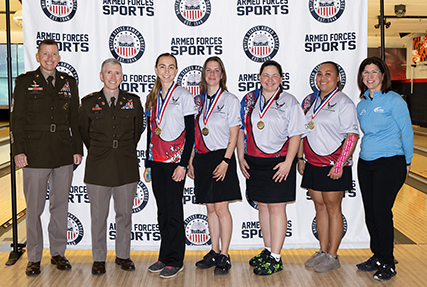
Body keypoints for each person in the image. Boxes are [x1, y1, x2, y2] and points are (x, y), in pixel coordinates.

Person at [10, 39, 82, 276]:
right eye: (45, 54)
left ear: (59, 57)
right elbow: (17, 119)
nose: (50, 58)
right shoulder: (24, 82)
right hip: (34, 155)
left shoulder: (68, 83)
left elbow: (75, 119)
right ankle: (33, 257)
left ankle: (58, 253)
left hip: (62, 153)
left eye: (54, 54)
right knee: (34, 209)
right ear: (38, 56)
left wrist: (77, 148)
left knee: (60, 207)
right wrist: (18, 150)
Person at [237, 60, 308, 275]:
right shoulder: (249, 100)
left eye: (274, 75)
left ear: (281, 79)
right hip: (254, 162)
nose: (269, 79)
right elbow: (241, 130)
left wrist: (289, 162)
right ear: (259, 77)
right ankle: (268, 250)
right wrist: (241, 157)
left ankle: (276, 257)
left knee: (277, 208)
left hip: (279, 163)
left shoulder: (290, 101)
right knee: (263, 207)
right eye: (265, 75)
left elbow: (296, 134)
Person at [78, 58, 143, 275]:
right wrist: (101, 148)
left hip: (125, 165)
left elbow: (137, 132)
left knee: (124, 215)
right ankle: (98, 258)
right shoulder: (88, 103)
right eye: (109, 73)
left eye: (117, 73)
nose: (113, 77)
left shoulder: (133, 101)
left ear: (122, 77)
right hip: (98, 166)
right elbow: (84, 133)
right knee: (98, 217)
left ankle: (123, 255)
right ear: (101, 75)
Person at [355, 56, 413, 281]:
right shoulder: (361, 104)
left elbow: (406, 132)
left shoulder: (394, 100)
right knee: (371, 213)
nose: (369, 76)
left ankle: (388, 262)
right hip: (366, 163)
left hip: (390, 162)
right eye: (365, 72)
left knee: (381, 212)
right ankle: (377, 255)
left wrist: (407, 162)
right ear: (361, 77)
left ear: (382, 75)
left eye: (374, 72)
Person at [298, 61, 359, 273]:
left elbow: (352, 135)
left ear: (337, 78)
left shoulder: (344, 102)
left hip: (334, 164)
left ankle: (333, 255)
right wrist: (300, 158)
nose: (322, 78)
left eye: (328, 74)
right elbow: (302, 132)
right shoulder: (310, 101)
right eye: (319, 74)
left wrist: (340, 164)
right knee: (320, 207)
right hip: (313, 163)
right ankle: (323, 251)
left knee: (334, 209)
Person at [143, 53, 196, 279]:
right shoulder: (152, 97)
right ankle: (164, 256)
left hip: (175, 163)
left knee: (174, 212)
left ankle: (176, 260)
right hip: (156, 162)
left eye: (171, 67)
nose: (166, 71)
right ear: (156, 69)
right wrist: (147, 163)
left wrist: (184, 164)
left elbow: (191, 134)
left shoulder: (184, 96)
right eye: (162, 66)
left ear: (176, 71)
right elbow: (150, 134)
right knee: (162, 212)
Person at [187, 56, 241, 275]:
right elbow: (193, 133)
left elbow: (235, 132)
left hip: (221, 157)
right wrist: (190, 160)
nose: (212, 74)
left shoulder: (229, 100)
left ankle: (225, 255)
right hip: (201, 159)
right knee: (210, 208)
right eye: (208, 70)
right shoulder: (197, 101)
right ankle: (214, 250)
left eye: (216, 70)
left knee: (221, 208)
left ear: (222, 74)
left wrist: (226, 161)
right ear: (204, 74)